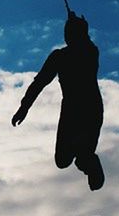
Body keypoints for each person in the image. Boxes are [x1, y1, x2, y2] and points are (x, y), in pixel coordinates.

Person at [12, 11, 104, 190]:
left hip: (89, 108)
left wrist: (77, 25)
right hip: (72, 109)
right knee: (62, 161)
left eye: (68, 32)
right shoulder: (60, 57)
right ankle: (84, 157)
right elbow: (39, 83)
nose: (65, 35)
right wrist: (24, 107)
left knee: (83, 154)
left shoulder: (89, 52)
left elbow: (86, 48)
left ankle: (87, 160)